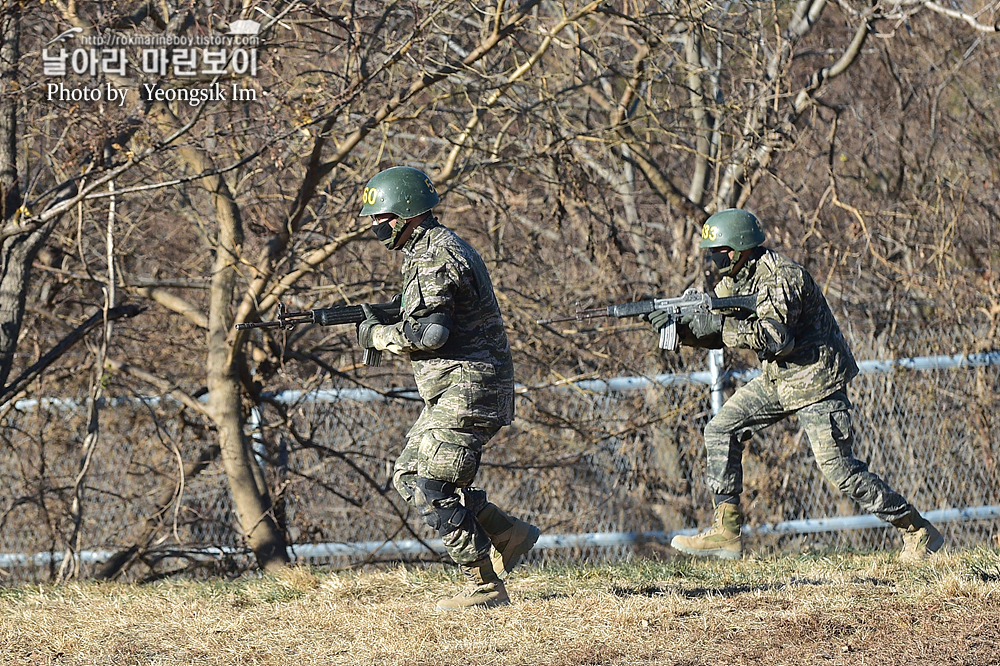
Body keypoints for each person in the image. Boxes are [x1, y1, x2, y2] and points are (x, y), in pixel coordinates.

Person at [650, 208, 943, 562]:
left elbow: (775, 339)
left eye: (721, 250)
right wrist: (679, 329)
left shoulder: (782, 277)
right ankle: (726, 531)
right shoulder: (736, 280)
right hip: (781, 379)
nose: (715, 258)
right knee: (720, 430)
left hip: (817, 380)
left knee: (839, 470)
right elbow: (718, 329)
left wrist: (716, 328)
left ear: (742, 247)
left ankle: (917, 530)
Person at [356, 166, 540, 610]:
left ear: (404, 213)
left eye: (381, 217)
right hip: (458, 387)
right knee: (407, 475)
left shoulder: (433, 255)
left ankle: (484, 587)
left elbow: (433, 334)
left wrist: (380, 336)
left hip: (470, 387)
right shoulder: (435, 247)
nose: (377, 226)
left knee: (431, 485)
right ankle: (507, 532)